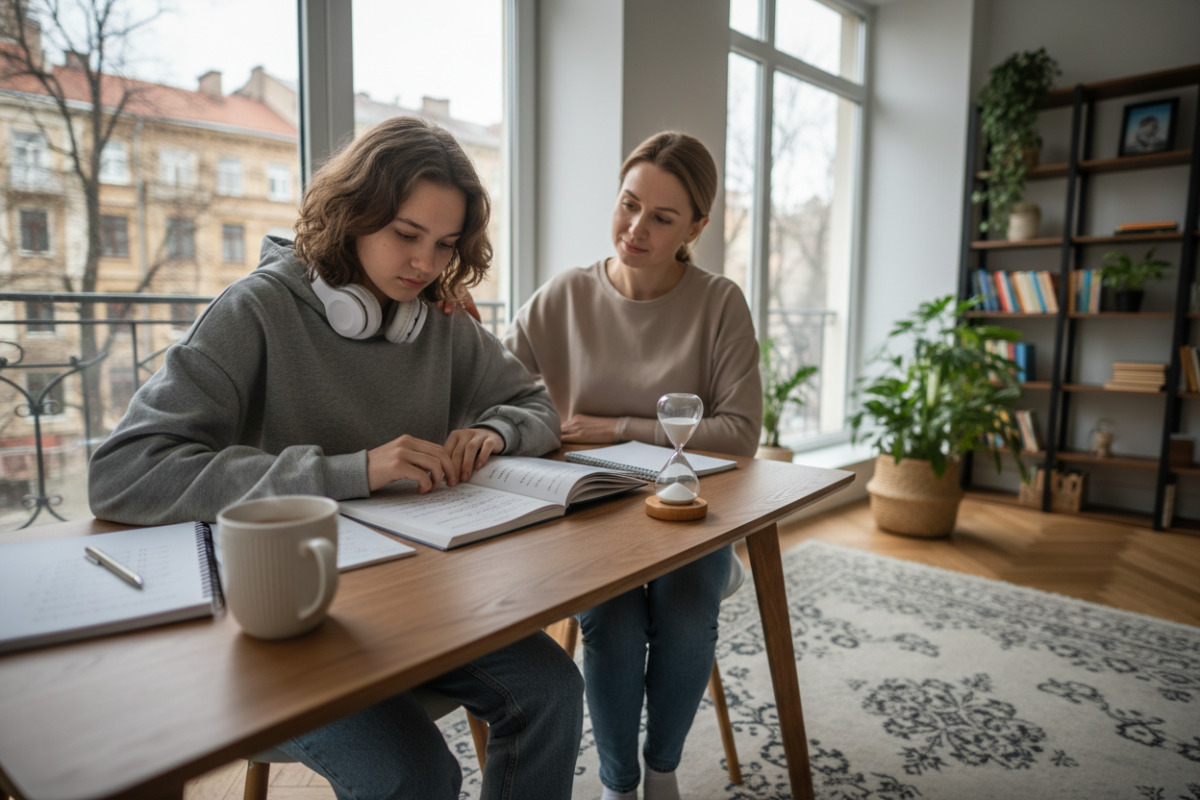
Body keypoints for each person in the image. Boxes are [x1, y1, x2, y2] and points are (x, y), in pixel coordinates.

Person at [87, 116, 583, 800]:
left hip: (408, 599)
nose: (424, 264)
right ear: (351, 214)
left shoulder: (433, 315)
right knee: (415, 773)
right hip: (283, 626)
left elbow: (536, 407)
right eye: (406, 235)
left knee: (553, 688)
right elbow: (125, 471)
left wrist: (495, 432)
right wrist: (353, 470)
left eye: (444, 245)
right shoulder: (255, 311)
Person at [502, 131, 762, 800]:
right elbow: (495, 394)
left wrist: (620, 427)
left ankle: (662, 770)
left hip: (687, 511)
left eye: (663, 218)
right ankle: (619, 786)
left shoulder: (719, 304)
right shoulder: (562, 297)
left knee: (684, 606)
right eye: (628, 204)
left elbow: (738, 435)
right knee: (611, 621)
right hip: (592, 514)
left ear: (696, 227)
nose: (636, 228)